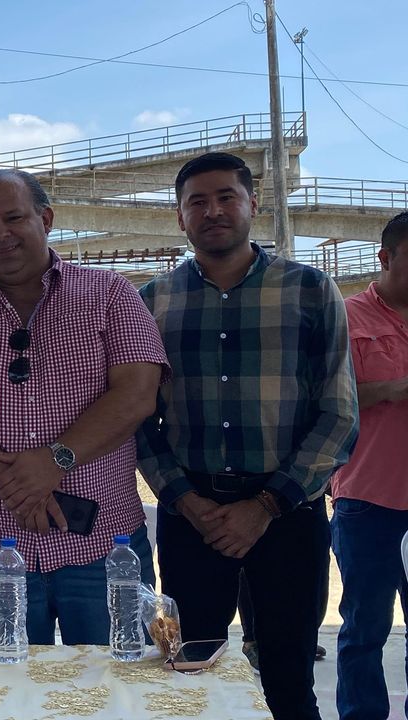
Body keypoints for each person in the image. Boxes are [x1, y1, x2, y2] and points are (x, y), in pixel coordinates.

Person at [136, 152, 357, 720]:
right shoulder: (151, 302)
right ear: (180, 216)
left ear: (253, 204)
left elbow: (338, 414)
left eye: (226, 197)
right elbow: (137, 418)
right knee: (188, 677)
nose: (213, 211)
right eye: (197, 202)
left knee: (289, 680)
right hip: (193, 518)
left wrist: (264, 506)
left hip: (288, 514)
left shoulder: (311, 290)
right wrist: (185, 500)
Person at [0, 168, 169, 646]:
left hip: (104, 545)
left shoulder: (111, 295)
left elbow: (137, 394)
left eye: (13, 218)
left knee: (115, 678)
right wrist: (22, 485)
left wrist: (54, 462)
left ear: (45, 219)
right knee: (4, 683)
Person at [331, 211, 408, 720]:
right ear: (385, 257)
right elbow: (326, 398)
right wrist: (397, 388)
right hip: (369, 501)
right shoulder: (345, 317)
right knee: (365, 629)